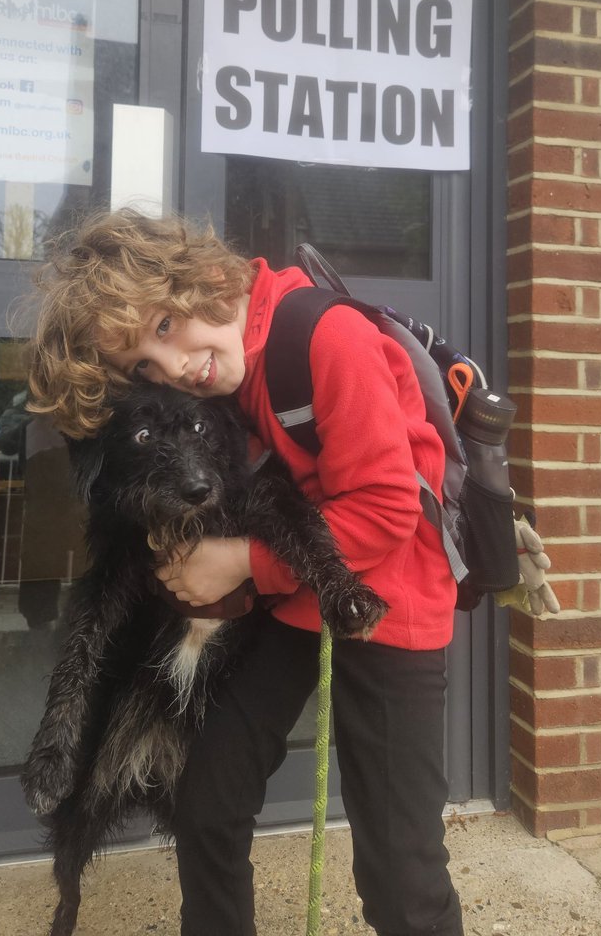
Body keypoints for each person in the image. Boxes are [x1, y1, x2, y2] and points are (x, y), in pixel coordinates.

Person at [27, 207, 465, 936]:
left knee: (399, 863)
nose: (175, 368)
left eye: (165, 328)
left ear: (196, 278)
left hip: (393, 601)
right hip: (298, 601)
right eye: (144, 366)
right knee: (208, 800)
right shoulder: (228, 373)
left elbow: (389, 508)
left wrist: (238, 562)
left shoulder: (325, 337)